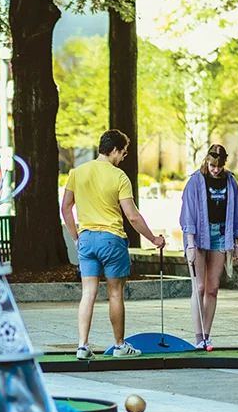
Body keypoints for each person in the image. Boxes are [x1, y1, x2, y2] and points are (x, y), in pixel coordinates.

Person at [61, 129, 166, 360]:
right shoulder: (119, 177)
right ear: (115, 149)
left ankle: (82, 345)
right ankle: (119, 345)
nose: (124, 157)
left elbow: (65, 207)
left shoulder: (77, 172)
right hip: (111, 239)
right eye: (124, 152)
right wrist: (154, 239)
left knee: (88, 293)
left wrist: (76, 237)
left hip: (86, 238)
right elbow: (133, 216)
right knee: (115, 293)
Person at [180, 144, 238, 350]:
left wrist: (236, 245)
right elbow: (188, 215)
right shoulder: (195, 181)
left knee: (213, 288)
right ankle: (198, 336)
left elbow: (235, 215)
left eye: (218, 166)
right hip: (198, 237)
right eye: (211, 165)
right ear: (206, 161)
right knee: (199, 287)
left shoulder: (231, 182)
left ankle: (207, 335)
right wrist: (190, 245)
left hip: (220, 235)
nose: (215, 169)